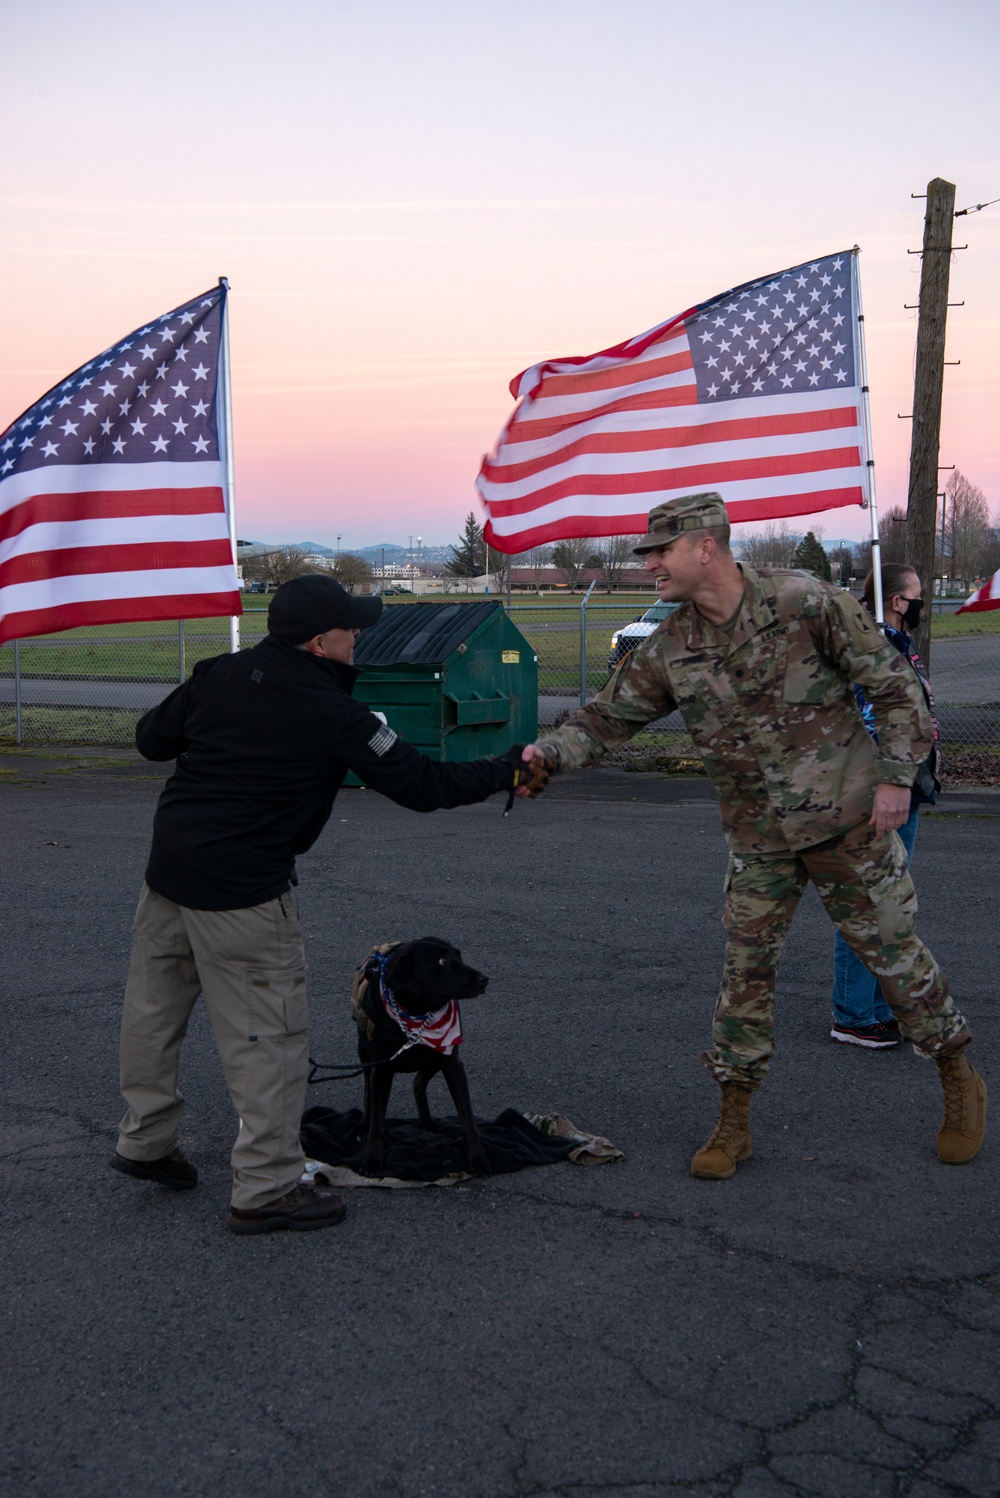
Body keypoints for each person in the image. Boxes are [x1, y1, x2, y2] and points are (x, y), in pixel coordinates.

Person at [521, 493, 986, 1180]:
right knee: (745, 977)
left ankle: (955, 1073)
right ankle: (733, 1119)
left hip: (847, 821)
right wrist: (547, 756)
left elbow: (894, 685)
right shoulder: (671, 645)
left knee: (892, 955)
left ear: (705, 547)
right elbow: (604, 720)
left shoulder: (806, 602)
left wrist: (895, 777)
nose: (649, 564)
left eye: (660, 551)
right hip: (759, 836)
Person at [109, 575, 537, 1233]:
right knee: (270, 1039)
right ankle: (267, 1188)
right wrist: (506, 769)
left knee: (152, 1014)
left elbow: (151, 739)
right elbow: (422, 785)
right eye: (350, 628)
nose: (358, 636)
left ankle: (145, 1140)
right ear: (318, 641)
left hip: (168, 874)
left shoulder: (218, 673)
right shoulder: (331, 710)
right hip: (245, 894)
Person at [830, 563, 939, 1048]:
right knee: (868, 903)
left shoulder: (901, 646)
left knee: (890, 906)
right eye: (916, 594)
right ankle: (852, 1014)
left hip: (908, 790)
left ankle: (875, 1008)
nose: (921, 600)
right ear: (898, 601)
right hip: (880, 795)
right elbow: (872, 725)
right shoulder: (870, 648)